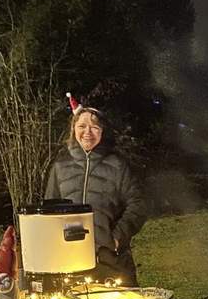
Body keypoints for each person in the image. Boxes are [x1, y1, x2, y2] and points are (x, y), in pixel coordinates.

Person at [45, 98, 147, 285]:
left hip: (111, 260)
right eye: (82, 126)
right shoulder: (60, 166)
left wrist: (116, 238)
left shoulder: (118, 165)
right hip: (70, 260)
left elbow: (138, 205)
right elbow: (50, 210)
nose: (87, 132)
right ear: (73, 129)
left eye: (94, 127)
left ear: (103, 131)